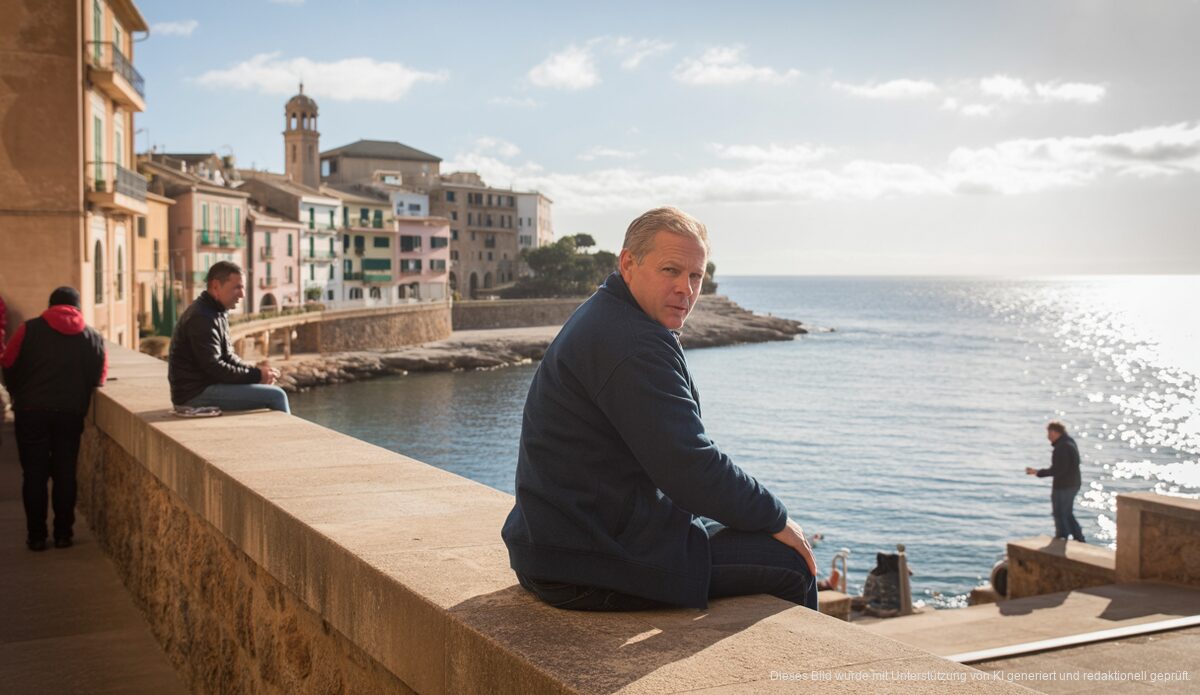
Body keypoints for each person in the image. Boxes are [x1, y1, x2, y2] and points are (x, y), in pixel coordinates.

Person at [502, 207, 819, 612]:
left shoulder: (614, 314)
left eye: (695, 276)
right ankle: (797, 676)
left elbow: (681, 455)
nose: (685, 289)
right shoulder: (631, 341)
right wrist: (776, 517)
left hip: (565, 542)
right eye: (670, 270)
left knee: (737, 531)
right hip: (586, 560)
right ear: (628, 264)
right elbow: (689, 467)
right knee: (793, 562)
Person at [1, 287, 107, 551]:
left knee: (34, 475)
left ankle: (36, 536)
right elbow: (99, 377)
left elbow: (8, 362)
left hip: (31, 412)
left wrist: (18, 392)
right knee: (65, 474)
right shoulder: (92, 336)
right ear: (78, 308)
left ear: (50, 307)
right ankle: (63, 534)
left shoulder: (29, 329)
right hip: (70, 414)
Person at [169, 261, 289, 414]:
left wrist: (257, 373)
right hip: (194, 394)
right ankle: (293, 438)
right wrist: (256, 375)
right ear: (216, 286)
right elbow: (215, 367)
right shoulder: (201, 317)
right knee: (277, 396)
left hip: (202, 387)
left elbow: (228, 357)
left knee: (269, 391)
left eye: (243, 287)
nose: (242, 294)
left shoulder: (215, 312)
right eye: (237, 287)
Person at [1026, 420, 1085, 542]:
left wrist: (1038, 472)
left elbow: (1058, 469)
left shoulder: (1062, 447)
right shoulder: (1068, 442)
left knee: (1060, 513)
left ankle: (1063, 537)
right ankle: (1076, 538)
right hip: (1071, 483)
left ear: (1054, 432)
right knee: (1066, 513)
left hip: (1064, 486)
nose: (1048, 437)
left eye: (1049, 433)